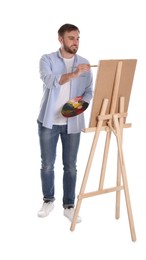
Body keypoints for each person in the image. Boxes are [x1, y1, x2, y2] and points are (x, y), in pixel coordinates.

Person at [37, 23, 93, 223]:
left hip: (73, 123)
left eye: (78, 38)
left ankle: (69, 205)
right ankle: (48, 201)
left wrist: (75, 108)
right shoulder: (47, 60)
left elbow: (88, 92)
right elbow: (50, 80)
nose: (75, 42)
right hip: (48, 121)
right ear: (60, 39)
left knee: (70, 166)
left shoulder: (85, 63)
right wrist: (74, 74)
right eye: (71, 38)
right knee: (47, 165)